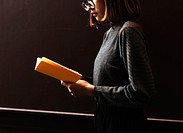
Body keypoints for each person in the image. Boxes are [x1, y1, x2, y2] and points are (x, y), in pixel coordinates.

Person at [61, 0, 156, 132]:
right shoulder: (110, 33)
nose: (89, 7)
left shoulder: (128, 31)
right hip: (105, 122)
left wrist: (92, 90)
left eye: (92, 0)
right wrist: (81, 79)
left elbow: (141, 94)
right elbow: (112, 82)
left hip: (124, 125)